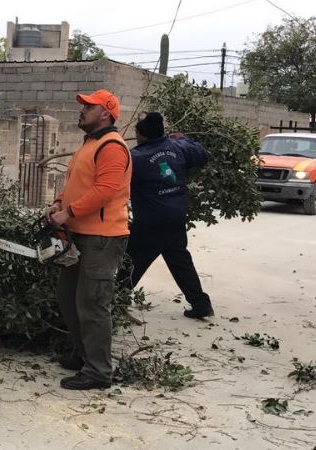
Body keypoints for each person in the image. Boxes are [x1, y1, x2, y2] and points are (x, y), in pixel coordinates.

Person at [48, 89, 131, 390]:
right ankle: (84, 354)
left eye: (89, 106)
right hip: (79, 233)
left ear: (106, 113)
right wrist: (59, 202)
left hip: (102, 237)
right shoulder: (89, 144)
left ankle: (98, 371)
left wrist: (69, 212)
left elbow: (105, 190)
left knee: (92, 303)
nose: (82, 110)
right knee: (68, 297)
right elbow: (77, 183)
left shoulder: (112, 146)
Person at [118, 112, 214, 319]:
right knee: (179, 261)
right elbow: (203, 154)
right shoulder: (178, 147)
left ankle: (114, 302)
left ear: (141, 135)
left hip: (150, 222)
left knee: (132, 262)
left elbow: (116, 184)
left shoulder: (135, 158)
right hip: (176, 218)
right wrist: (184, 139)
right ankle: (201, 303)